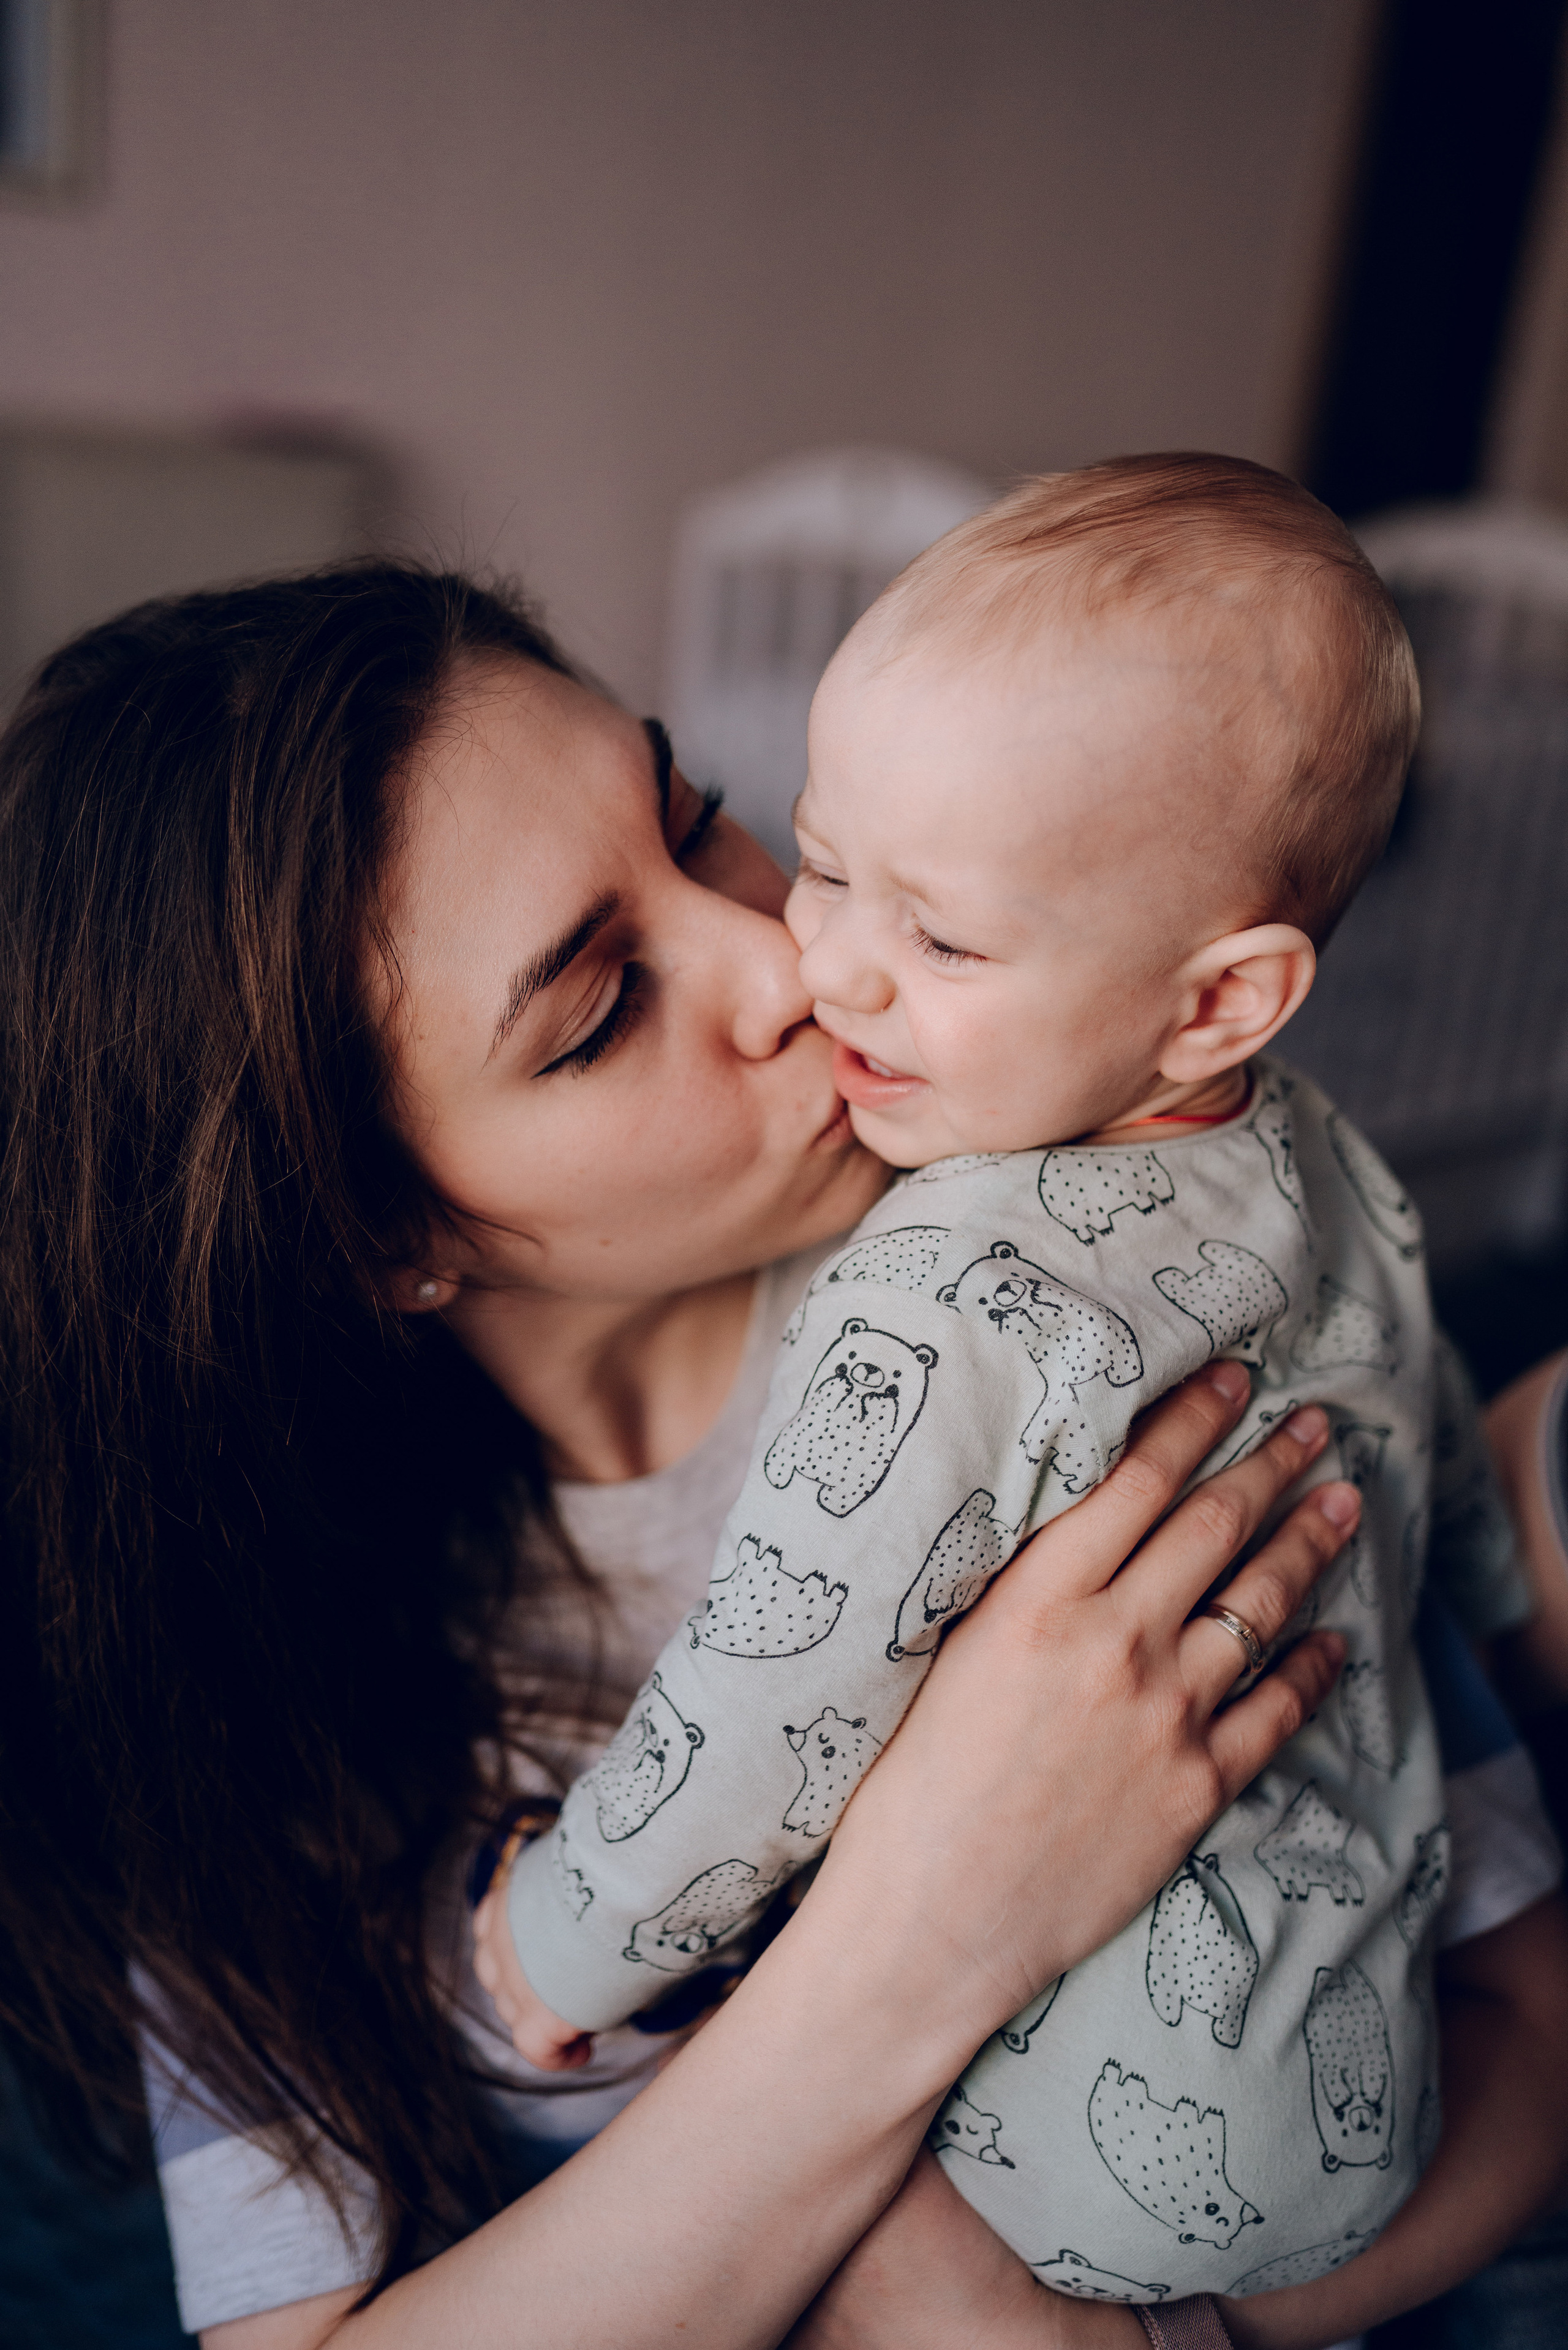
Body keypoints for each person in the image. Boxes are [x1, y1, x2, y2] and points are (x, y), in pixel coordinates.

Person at [0, 565, 1558, 2350]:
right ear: (372, 1233)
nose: (792, 961)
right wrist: (922, 1934)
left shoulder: (1099, 1301)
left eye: (703, 824)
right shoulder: (236, 1678)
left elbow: (1525, 2020)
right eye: (600, 1010)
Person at [483, 456, 1567, 2310]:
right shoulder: (1333, 1160)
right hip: (1375, 2073)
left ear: (1218, 1000)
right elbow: (1439, 1496)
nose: (821, 965)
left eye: (944, 936)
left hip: (1076, 2173)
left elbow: (777, 1696)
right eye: (822, 857)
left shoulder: (945, 1286)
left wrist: (561, 1949)